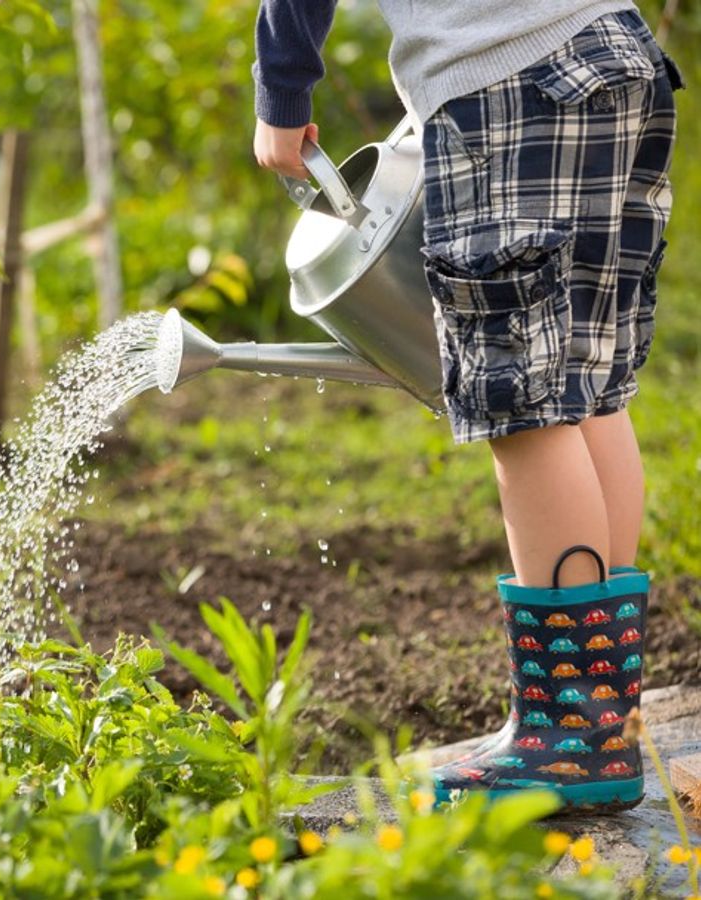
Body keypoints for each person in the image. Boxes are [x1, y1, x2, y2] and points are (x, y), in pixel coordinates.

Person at [252, 1, 682, 811]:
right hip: (617, 53)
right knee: (589, 390)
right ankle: (594, 723)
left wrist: (281, 93)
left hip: (502, 75)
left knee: (522, 408)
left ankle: (569, 741)